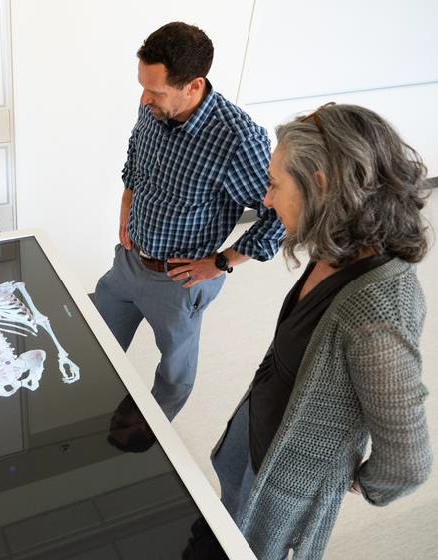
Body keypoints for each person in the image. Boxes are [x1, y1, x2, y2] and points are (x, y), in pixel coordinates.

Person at [211, 103, 433, 560]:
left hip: (281, 484)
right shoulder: (336, 247)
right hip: (256, 437)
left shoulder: (378, 313)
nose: (266, 200)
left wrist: (356, 481)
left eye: (275, 185)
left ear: (321, 185)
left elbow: (408, 462)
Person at [94, 22, 285, 421]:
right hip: (128, 261)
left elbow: (279, 215)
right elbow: (136, 151)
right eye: (142, 87)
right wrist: (127, 199)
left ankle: (152, 434)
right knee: (93, 342)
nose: (144, 99)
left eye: (156, 91)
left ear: (194, 86)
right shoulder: (152, 107)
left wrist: (221, 262)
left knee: (174, 375)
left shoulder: (238, 140)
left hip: (179, 282)